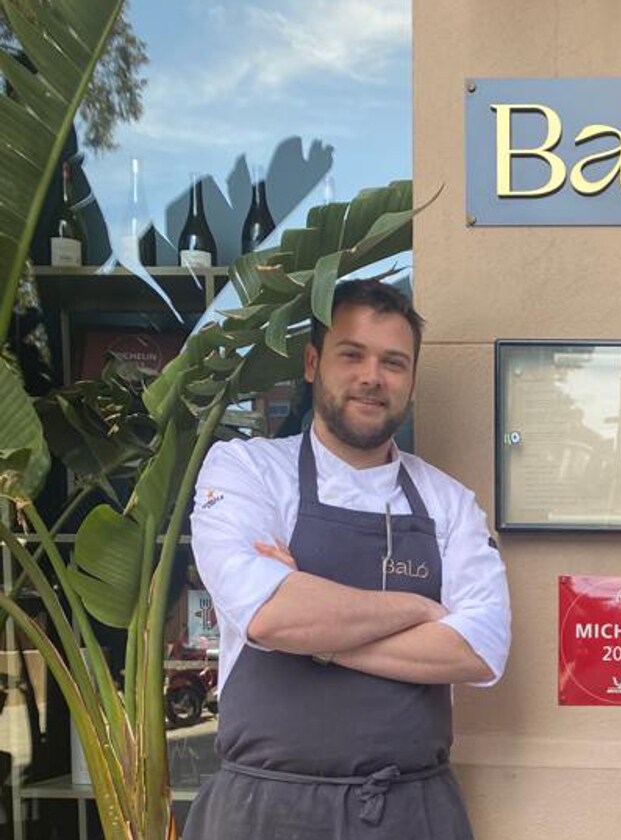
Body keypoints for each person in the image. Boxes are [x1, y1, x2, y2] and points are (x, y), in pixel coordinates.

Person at [183, 279, 511, 840]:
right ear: (313, 363)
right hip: (263, 810)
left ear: (410, 381)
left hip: (411, 810)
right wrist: (420, 607)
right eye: (351, 354)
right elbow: (271, 615)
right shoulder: (246, 470)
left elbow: (481, 649)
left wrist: (317, 636)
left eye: (393, 363)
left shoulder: (448, 502)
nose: (372, 377)